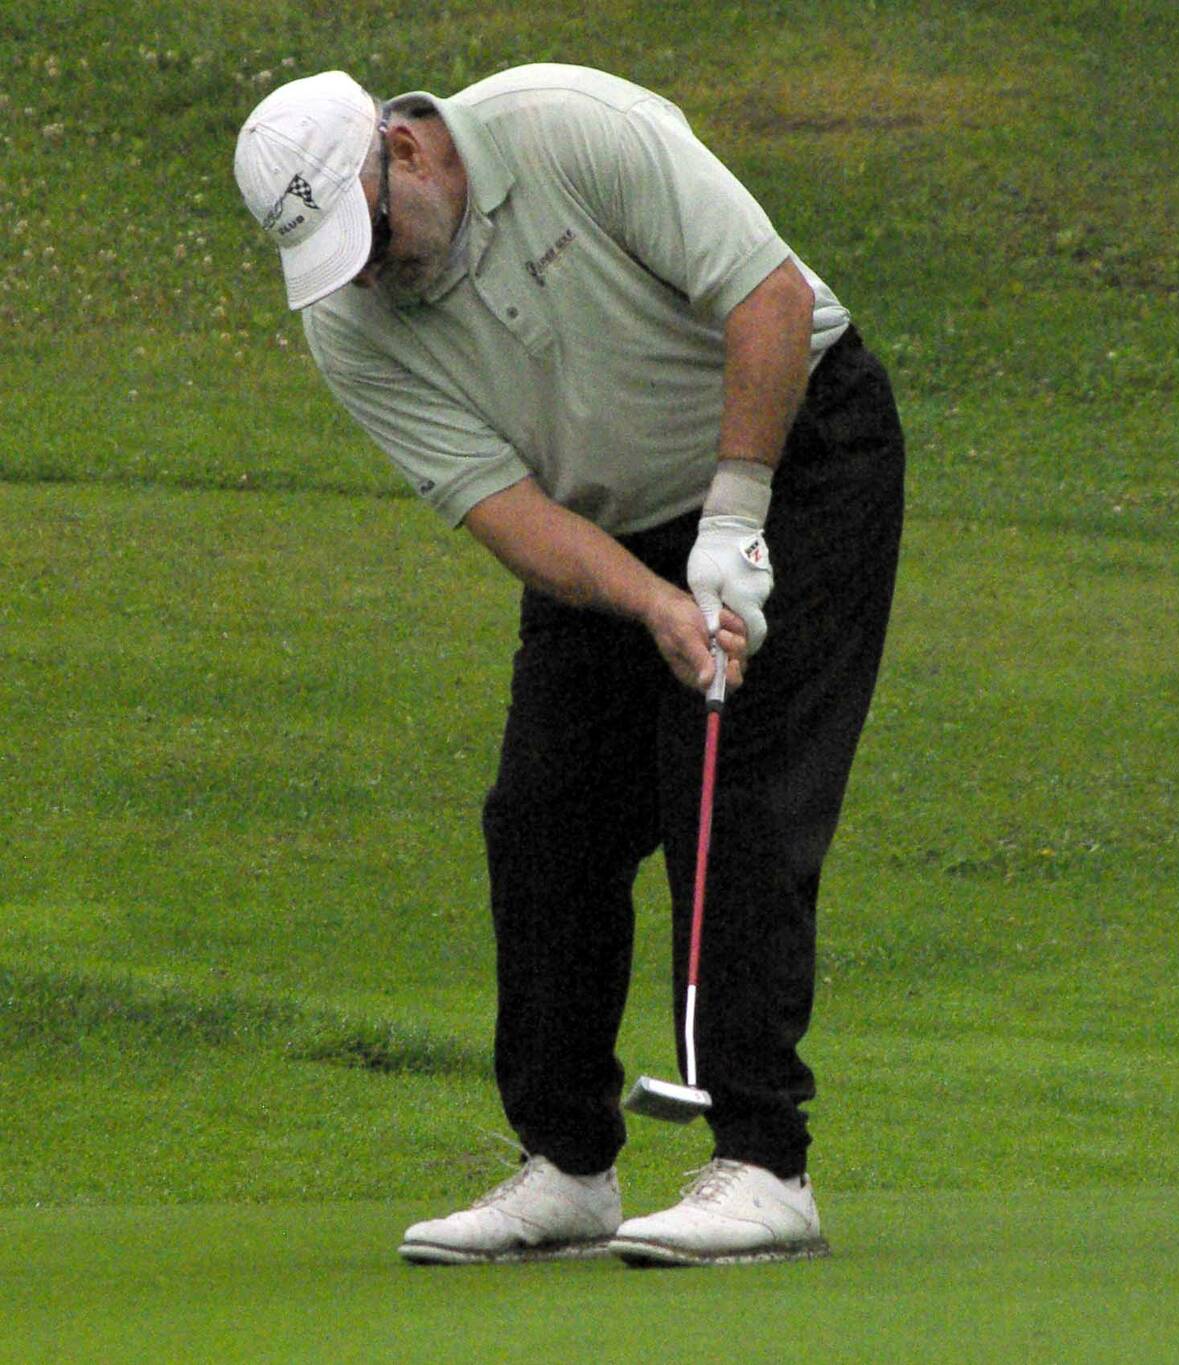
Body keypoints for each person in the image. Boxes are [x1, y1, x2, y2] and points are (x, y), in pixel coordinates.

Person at [232, 64, 905, 1266]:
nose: (370, 273)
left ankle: (762, 1164)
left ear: (408, 151)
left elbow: (766, 296)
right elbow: (503, 509)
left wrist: (735, 519)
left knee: (734, 795)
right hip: (605, 531)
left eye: (373, 239)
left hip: (795, 449)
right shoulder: (347, 320)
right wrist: (653, 601)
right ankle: (570, 1167)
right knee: (540, 818)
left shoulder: (567, 127)